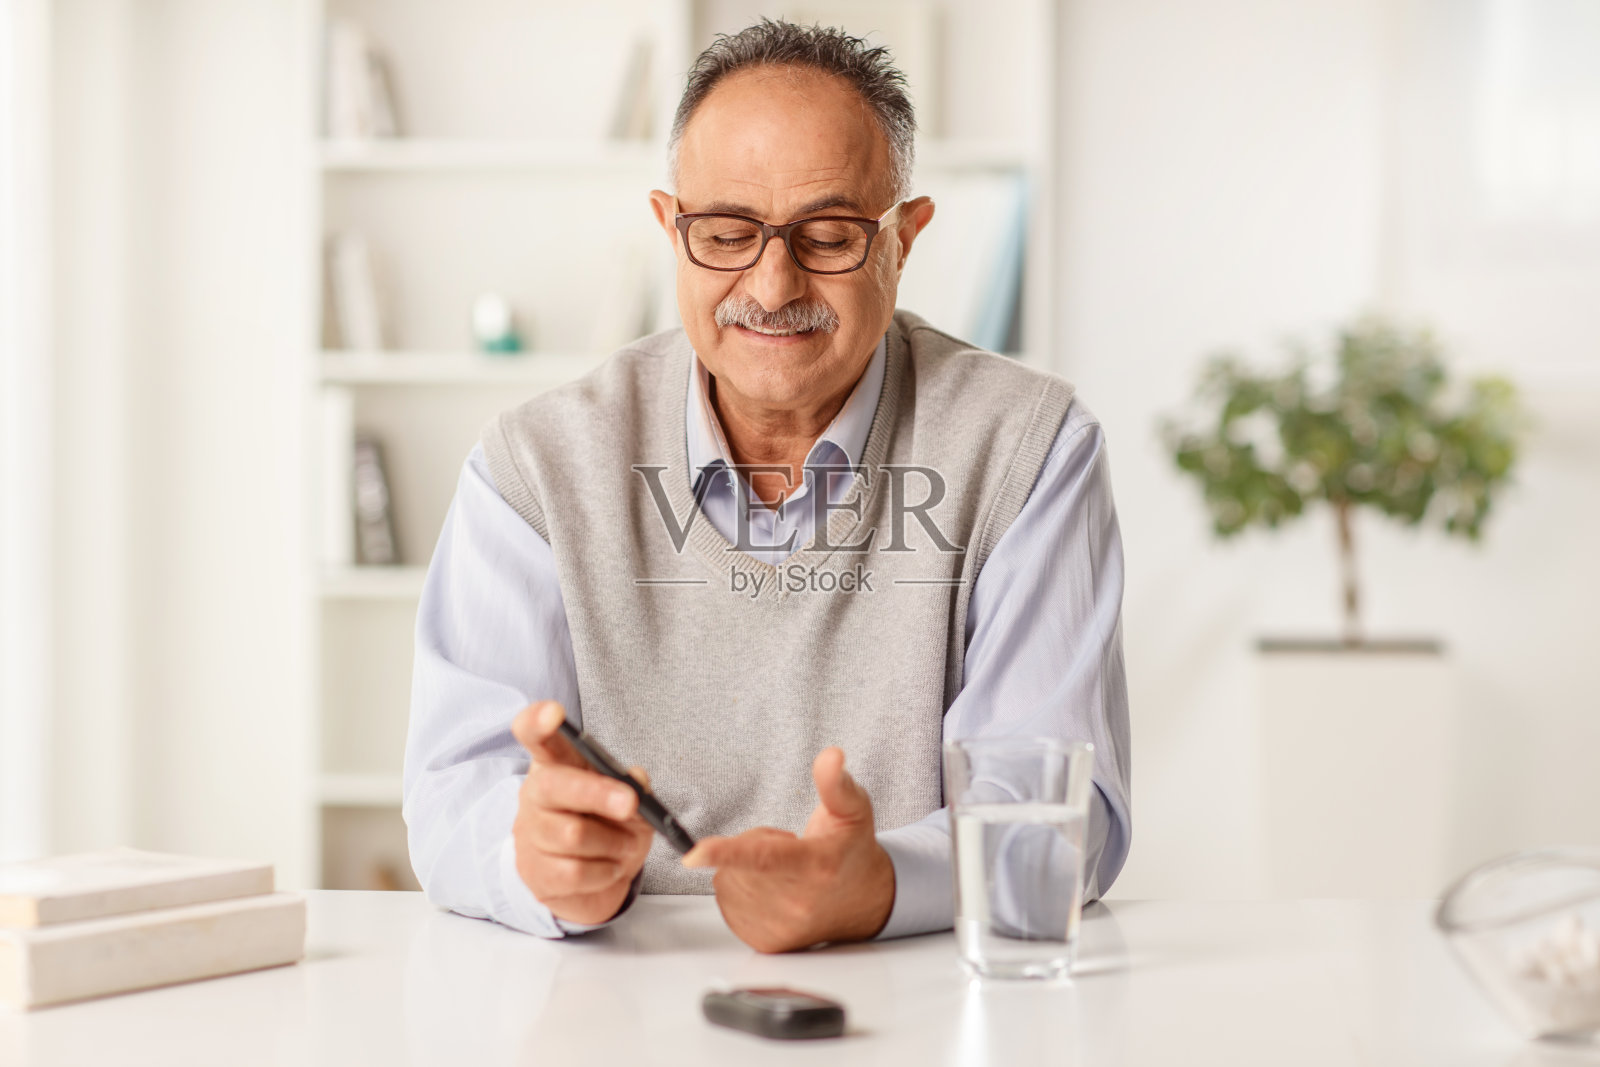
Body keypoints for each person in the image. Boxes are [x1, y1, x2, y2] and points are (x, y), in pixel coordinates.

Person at [403, 18, 1131, 953]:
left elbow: (1055, 816)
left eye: (828, 236)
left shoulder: (1031, 449)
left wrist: (882, 888)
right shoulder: (537, 466)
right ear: (672, 229)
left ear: (903, 242)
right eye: (726, 233)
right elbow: (454, 791)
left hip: (928, 992)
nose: (773, 281)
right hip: (609, 999)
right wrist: (534, 860)